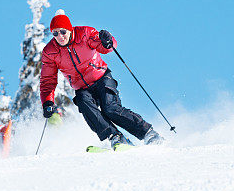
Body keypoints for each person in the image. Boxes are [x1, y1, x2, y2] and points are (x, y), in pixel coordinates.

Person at [40, 10, 163, 149]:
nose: (60, 36)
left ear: (69, 29)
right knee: (83, 104)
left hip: (101, 78)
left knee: (110, 108)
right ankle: (115, 137)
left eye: (63, 31)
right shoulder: (50, 52)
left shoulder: (84, 33)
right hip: (82, 88)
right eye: (55, 33)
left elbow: (105, 46)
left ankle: (148, 133)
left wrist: (107, 41)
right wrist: (47, 102)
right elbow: (47, 80)